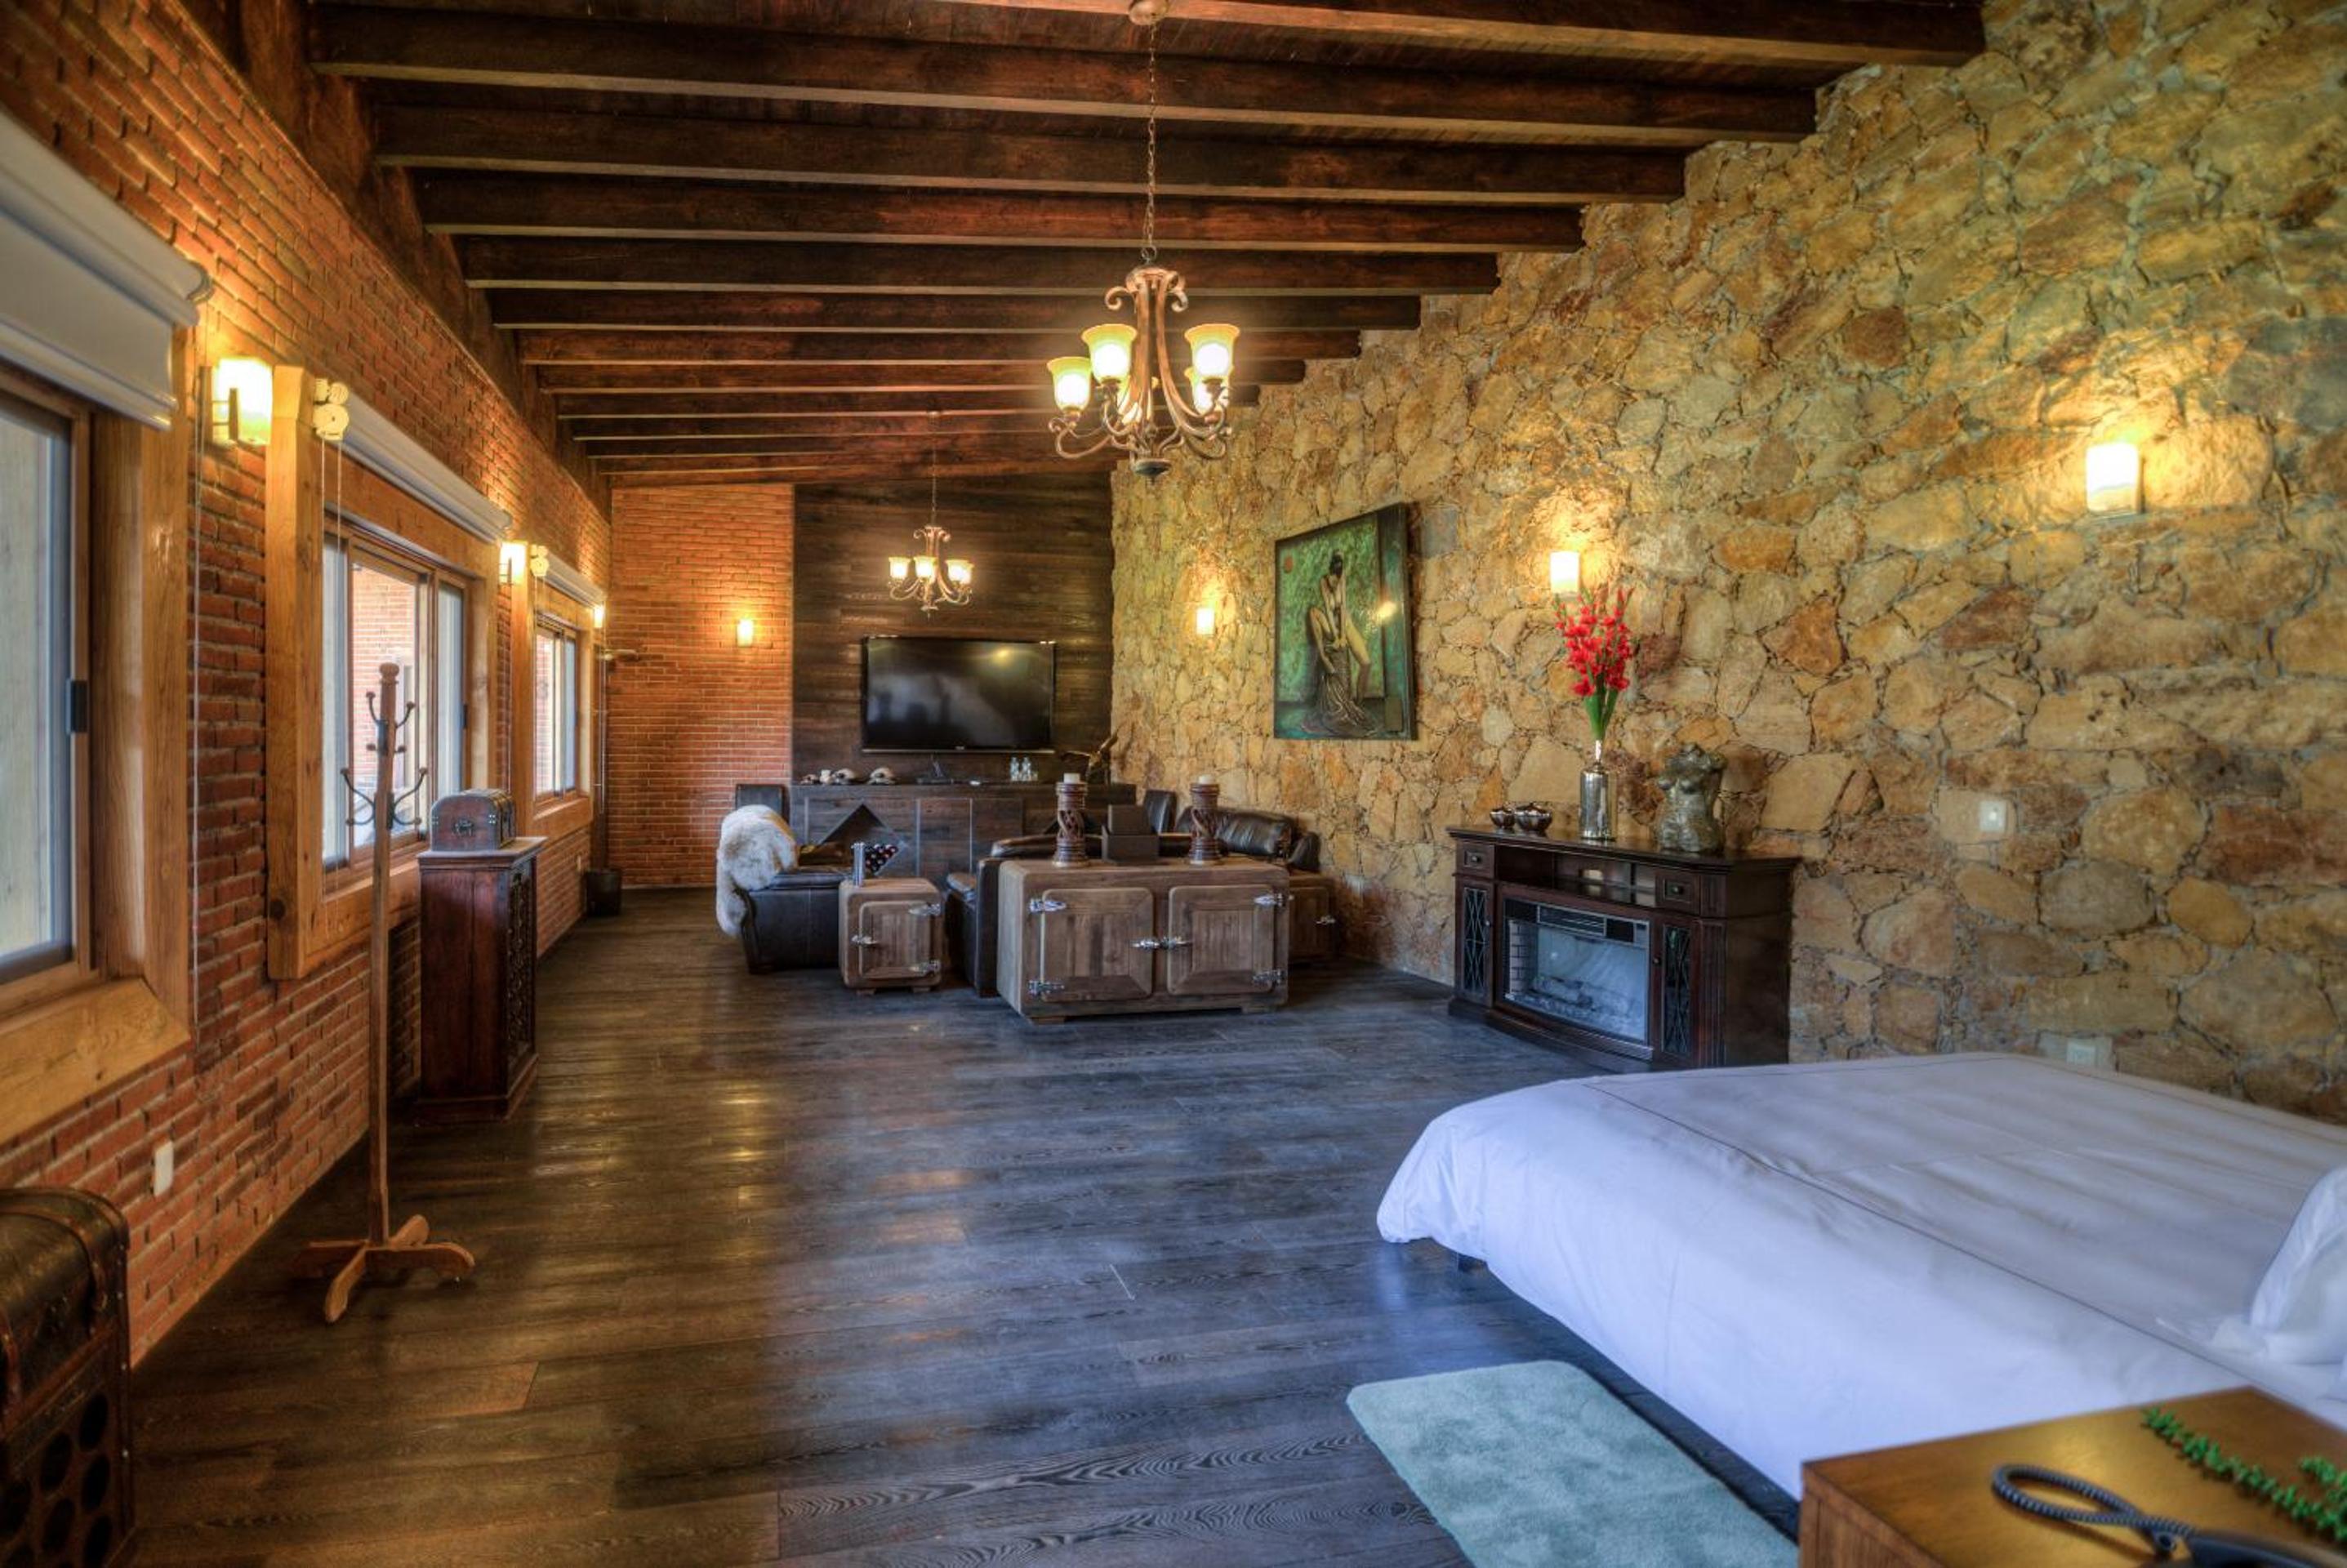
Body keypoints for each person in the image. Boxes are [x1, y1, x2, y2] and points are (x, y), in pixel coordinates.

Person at [1305, 550, 1374, 733]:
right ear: (1329, 574)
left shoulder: (1342, 578)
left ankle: (1359, 704)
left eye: (1338, 580)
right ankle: (1323, 655)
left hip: (1345, 623)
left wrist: (1343, 636)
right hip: (1331, 625)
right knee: (1313, 612)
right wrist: (1335, 638)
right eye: (1334, 581)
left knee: (1366, 663)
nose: (1336, 584)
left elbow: (1343, 608)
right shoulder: (1323, 582)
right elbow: (1328, 610)